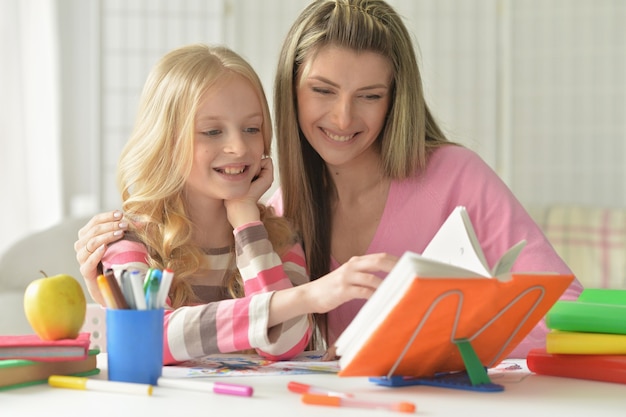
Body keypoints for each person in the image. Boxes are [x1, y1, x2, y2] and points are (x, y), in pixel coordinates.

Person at [75, 0, 583, 359]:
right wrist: (112, 292)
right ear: (290, 91)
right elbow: (259, 333)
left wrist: (439, 344)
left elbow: (568, 311)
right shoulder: (281, 207)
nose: (343, 118)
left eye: (369, 95)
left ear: (395, 99)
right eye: (322, 90)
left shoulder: (455, 176)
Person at [81, 43, 397, 365]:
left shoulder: (279, 236)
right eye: (212, 131)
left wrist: (247, 225)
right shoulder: (130, 238)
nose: (238, 146)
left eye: (251, 128)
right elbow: (145, 336)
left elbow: (286, 343)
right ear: (167, 140)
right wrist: (303, 297)